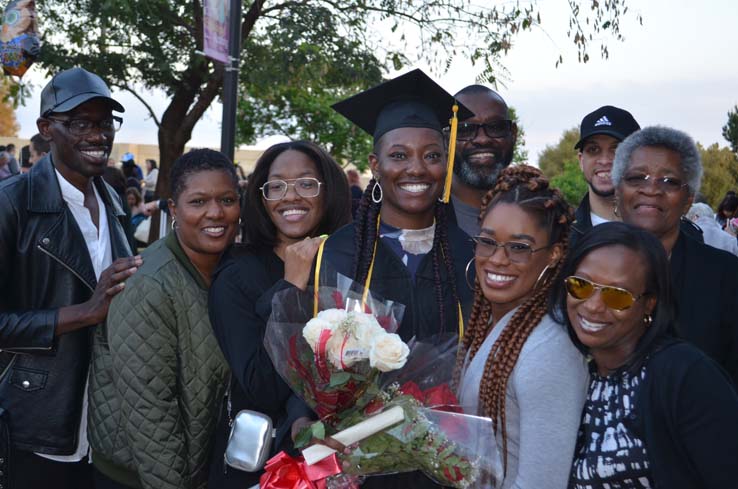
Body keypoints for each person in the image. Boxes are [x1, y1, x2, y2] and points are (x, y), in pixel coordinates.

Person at [328, 68, 474, 487]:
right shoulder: (336, 253)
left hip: (450, 461)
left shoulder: (473, 255)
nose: (417, 168)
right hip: (361, 465)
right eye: (398, 155)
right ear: (374, 164)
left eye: (431, 155)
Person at [0, 67, 139, 489]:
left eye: (104, 123)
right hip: (35, 424)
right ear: (46, 129)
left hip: (104, 423)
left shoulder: (112, 201)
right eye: (80, 123)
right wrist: (84, 312)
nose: (98, 135)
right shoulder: (13, 205)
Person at [88, 148, 240, 489]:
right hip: (139, 478)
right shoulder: (149, 284)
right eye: (198, 202)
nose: (215, 213)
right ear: (174, 208)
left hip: (195, 471)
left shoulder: (229, 271)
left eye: (227, 199)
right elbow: (150, 413)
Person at [207, 140, 351, 488]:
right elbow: (261, 387)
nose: (290, 196)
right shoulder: (237, 274)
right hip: (263, 465)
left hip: (339, 460)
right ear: (262, 197)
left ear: (327, 190)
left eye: (306, 183)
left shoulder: (348, 265)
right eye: (276, 186)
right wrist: (292, 287)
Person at [551, 222, 738, 488]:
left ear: (650, 303)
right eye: (581, 285)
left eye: (617, 296)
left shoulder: (686, 375)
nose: (593, 306)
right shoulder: (577, 373)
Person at [457, 165, 587, 489]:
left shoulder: (549, 352)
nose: (498, 260)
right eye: (487, 242)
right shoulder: (492, 320)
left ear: (555, 254)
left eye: (519, 247)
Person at [612, 125, 738, 384]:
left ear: (688, 198)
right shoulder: (583, 269)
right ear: (617, 190)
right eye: (637, 177)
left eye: (669, 181)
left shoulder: (727, 277)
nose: (652, 189)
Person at [450, 84, 517, 237]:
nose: (482, 139)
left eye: (496, 127)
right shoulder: (424, 215)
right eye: (465, 129)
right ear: (446, 138)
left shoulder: (537, 211)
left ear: (513, 134)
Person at [569, 106, 640, 246]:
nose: (604, 160)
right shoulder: (561, 236)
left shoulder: (665, 231)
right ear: (581, 161)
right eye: (593, 149)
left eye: (617, 149)